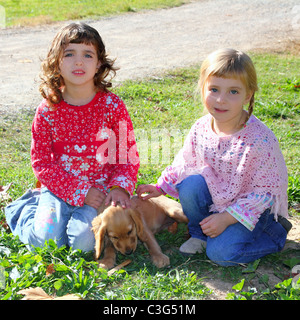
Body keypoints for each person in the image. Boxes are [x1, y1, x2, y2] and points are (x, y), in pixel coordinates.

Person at [136, 48, 291, 266]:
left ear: (248, 95)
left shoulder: (260, 140)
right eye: (214, 89)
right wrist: (160, 187)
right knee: (190, 184)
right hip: (218, 201)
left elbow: (264, 194)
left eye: (233, 92)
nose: (221, 99)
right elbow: (185, 162)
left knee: (221, 254)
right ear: (203, 89)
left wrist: (227, 218)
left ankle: (274, 236)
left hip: (252, 213)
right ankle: (200, 234)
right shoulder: (201, 127)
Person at [5, 23, 140, 252]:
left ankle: (66, 221)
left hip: (99, 190)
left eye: (88, 55)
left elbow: (127, 155)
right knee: (46, 243)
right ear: (56, 61)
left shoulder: (112, 106)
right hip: (58, 188)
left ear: (99, 64)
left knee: (84, 245)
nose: (79, 62)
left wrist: (119, 188)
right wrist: (79, 191)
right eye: (69, 54)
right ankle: (24, 209)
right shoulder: (47, 110)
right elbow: (42, 163)